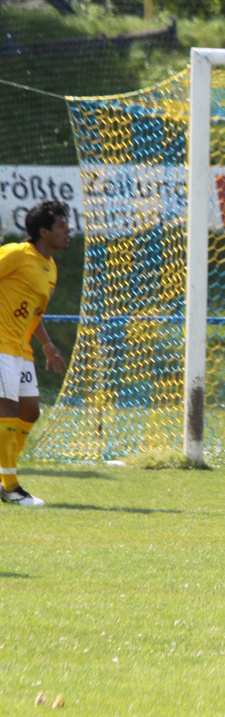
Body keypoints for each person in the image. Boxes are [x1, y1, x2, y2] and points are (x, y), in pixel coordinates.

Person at [0, 200, 72, 507]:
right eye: (60, 226)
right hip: (1, 343)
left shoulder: (50, 267)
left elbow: (35, 311)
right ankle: (11, 486)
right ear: (43, 231)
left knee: (30, 412)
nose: (68, 230)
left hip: (21, 347)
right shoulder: (16, 253)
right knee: (6, 409)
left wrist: (46, 344)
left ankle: (5, 473)